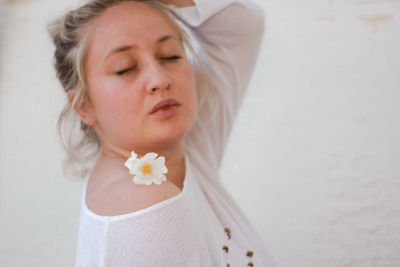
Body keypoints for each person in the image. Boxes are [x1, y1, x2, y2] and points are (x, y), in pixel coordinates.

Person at [49, 0, 276, 266]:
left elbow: (242, 21)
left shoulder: (186, 149)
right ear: (83, 106)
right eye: (125, 68)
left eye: (170, 55)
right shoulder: (145, 203)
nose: (160, 79)